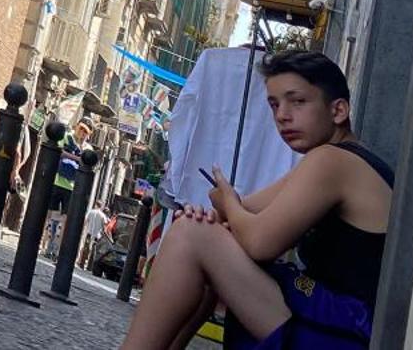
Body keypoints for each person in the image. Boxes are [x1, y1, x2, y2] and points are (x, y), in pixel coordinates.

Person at [118, 52, 394, 350]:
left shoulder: (333, 161)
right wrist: (221, 211)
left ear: (338, 110)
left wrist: (225, 205)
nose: (282, 115)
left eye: (297, 101)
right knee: (201, 237)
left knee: (190, 236)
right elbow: (242, 211)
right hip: (339, 322)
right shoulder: (336, 158)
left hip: (349, 330)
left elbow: (259, 241)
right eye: (274, 104)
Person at [45, 120, 92, 258]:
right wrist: (77, 158)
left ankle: (56, 248)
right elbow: (59, 151)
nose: (82, 133)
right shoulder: (66, 136)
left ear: (89, 134)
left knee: (65, 219)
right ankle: (44, 244)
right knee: (49, 214)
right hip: (57, 181)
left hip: (72, 186)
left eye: (85, 131)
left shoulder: (88, 149)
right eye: (81, 129)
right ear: (76, 127)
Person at [79, 194, 114, 270]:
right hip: (97, 235)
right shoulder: (102, 215)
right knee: (94, 250)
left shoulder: (91, 212)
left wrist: (82, 230)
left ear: (95, 204)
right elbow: (105, 226)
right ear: (101, 206)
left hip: (89, 233)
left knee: (86, 248)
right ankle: (90, 266)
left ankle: (82, 263)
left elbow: (85, 222)